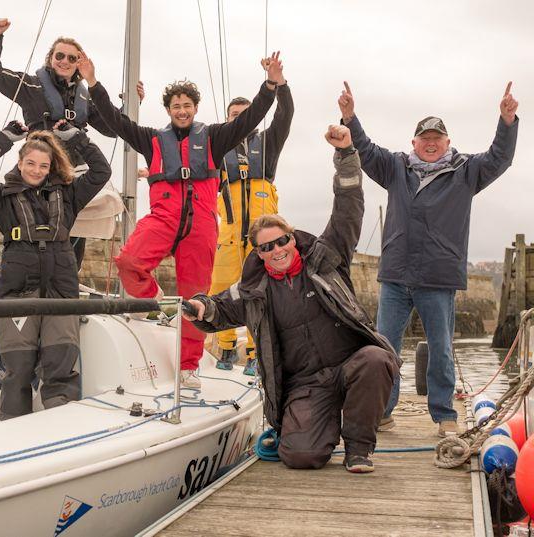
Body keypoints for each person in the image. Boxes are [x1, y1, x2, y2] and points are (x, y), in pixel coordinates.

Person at [184, 125, 400, 473]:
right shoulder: (254, 289)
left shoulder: (326, 258)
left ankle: (359, 448)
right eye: (266, 247)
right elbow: (219, 308)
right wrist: (199, 308)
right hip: (307, 384)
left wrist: (346, 155)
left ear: (291, 238)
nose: (277, 250)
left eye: (281, 241)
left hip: (351, 365)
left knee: (376, 359)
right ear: (259, 254)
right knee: (301, 456)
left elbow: (348, 210)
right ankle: (322, 429)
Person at [80, 52, 282, 389]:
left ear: (195, 107)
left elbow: (250, 120)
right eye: (176, 105)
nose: (182, 110)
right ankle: (154, 300)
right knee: (129, 261)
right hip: (164, 217)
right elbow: (117, 122)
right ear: (168, 110)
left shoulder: (216, 137)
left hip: (201, 223)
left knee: (196, 299)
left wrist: (270, 85)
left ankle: (189, 365)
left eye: (187, 104)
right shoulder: (152, 140)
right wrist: (93, 82)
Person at [338, 81, 519, 437]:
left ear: (448, 143)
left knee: (441, 350)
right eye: (425, 138)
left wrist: (507, 121)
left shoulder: (467, 172)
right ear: (414, 143)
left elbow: (500, 157)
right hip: (395, 277)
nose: (431, 143)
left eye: (438, 137)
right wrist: (349, 117)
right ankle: (382, 411)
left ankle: (443, 414)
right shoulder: (395, 167)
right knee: (382, 349)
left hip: (438, 278)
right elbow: (366, 150)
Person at [0, 120, 111, 420]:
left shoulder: (69, 195)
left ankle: (59, 425)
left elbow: (101, 172)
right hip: (18, 292)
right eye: (30, 163)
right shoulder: (1, 197)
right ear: (19, 163)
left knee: (60, 364)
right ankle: (14, 428)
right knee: (18, 368)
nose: (36, 170)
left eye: (43, 166)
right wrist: (3, 137)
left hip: (61, 292)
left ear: (51, 166)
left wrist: (76, 137)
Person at [0, 18, 143, 267]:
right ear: (50, 58)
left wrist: (131, 104)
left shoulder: (85, 98)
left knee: (70, 250)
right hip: (37, 174)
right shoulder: (30, 86)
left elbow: (113, 129)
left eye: (72, 58)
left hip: (71, 180)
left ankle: (64, 297)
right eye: (60, 55)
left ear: (79, 64)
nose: (65, 61)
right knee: (28, 241)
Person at [211, 82, 294, 376]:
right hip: (229, 233)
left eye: (244, 114)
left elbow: (285, 114)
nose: (238, 118)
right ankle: (226, 345)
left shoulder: (268, 142)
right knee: (221, 285)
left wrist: (280, 86)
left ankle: (256, 352)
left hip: (262, 237)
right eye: (233, 115)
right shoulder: (218, 144)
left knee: (261, 291)